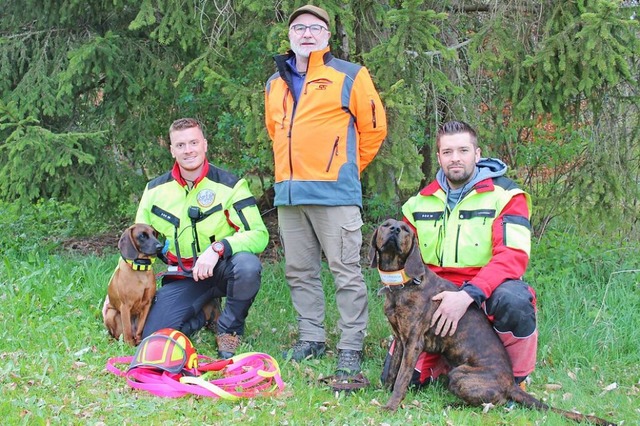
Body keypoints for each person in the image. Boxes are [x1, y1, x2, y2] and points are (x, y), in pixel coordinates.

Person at [264, 5, 387, 376]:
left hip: (335, 195)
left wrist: (344, 169)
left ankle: (351, 345)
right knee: (299, 270)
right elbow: (276, 133)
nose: (306, 34)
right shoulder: (275, 83)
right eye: (298, 27)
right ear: (289, 36)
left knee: (345, 271)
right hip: (289, 194)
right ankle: (311, 338)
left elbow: (374, 130)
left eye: (315, 28)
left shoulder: (350, 75)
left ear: (327, 37)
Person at [382, 120, 537, 387]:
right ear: (439, 157)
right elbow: (402, 261)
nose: (456, 158)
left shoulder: (507, 196)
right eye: (448, 152)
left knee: (516, 301)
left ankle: (515, 380)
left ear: (477, 154)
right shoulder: (418, 203)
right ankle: (446, 361)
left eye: (463, 151)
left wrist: (467, 295)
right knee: (399, 380)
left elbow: (513, 256)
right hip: (433, 296)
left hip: (487, 290)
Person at [108, 117, 269, 359]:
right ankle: (206, 313)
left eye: (193, 142)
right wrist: (116, 291)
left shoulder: (231, 186)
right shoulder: (154, 190)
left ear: (204, 145)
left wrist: (218, 249)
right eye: (180, 145)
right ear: (172, 150)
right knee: (154, 336)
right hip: (184, 275)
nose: (188, 150)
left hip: (224, 269)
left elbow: (259, 235)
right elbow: (137, 242)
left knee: (248, 266)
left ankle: (229, 330)